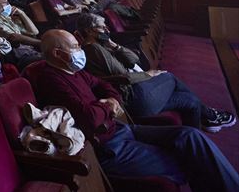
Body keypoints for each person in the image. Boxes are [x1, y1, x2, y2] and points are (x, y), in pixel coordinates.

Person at [36, 30, 239, 192]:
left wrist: (112, 101)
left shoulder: (74, 71)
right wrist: (106, 107)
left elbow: (104, 86)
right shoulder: (52, 79)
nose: (79, 49)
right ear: (57, 53)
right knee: (189, 160)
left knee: (190, 137)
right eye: (74, 46)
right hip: (106, 148)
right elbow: (89, 118)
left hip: (120, 129)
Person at [76, 14, 234, 131]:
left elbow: (133, 60)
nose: (107, 29)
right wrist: (148, 75)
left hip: (136, 91)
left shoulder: (102, 45)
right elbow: (123, 74)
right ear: (91, 31)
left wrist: (114, 45)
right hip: (132, 97)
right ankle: (209, 117)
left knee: (189, 101)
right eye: (103, 27)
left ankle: (202, 124)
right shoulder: (93, 48)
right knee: (168, 76)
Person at [0, 0, 42, 68]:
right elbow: (14, 36)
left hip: (30, 49)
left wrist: (22, 13)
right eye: (5, 2)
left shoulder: (7, 17)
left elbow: (34, 32)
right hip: (19, 55)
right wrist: (41, 43)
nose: (9, 5)